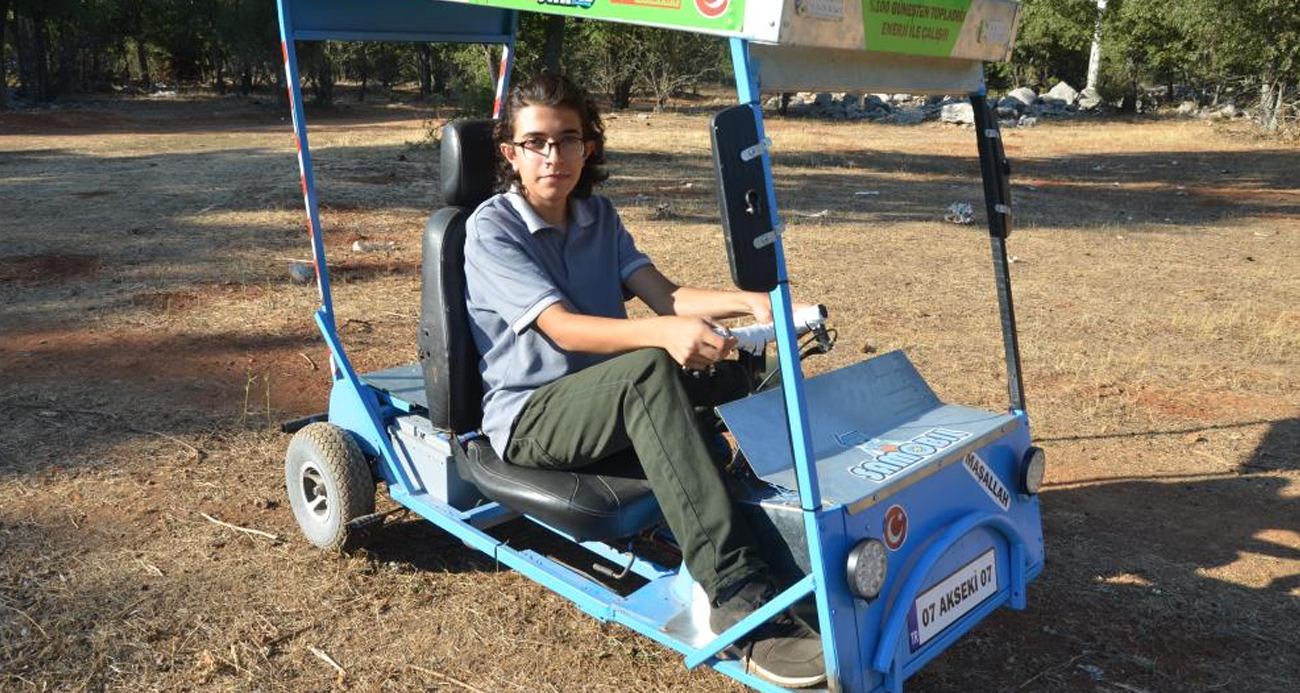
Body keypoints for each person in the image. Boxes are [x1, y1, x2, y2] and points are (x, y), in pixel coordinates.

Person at [463, 72, 825, 688]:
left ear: (588, 147)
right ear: (511, 153)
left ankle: (790, 547)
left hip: (607, 397)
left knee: (732, 371)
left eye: (568, 140)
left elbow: (667, 296)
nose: (554, 156)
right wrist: (662, 337)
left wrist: (750, 303)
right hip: (530, 418)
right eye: (536, 143)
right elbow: (565, 329)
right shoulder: (491, 229)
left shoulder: (598, 215)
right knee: (653, 369)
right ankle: (738, 596)